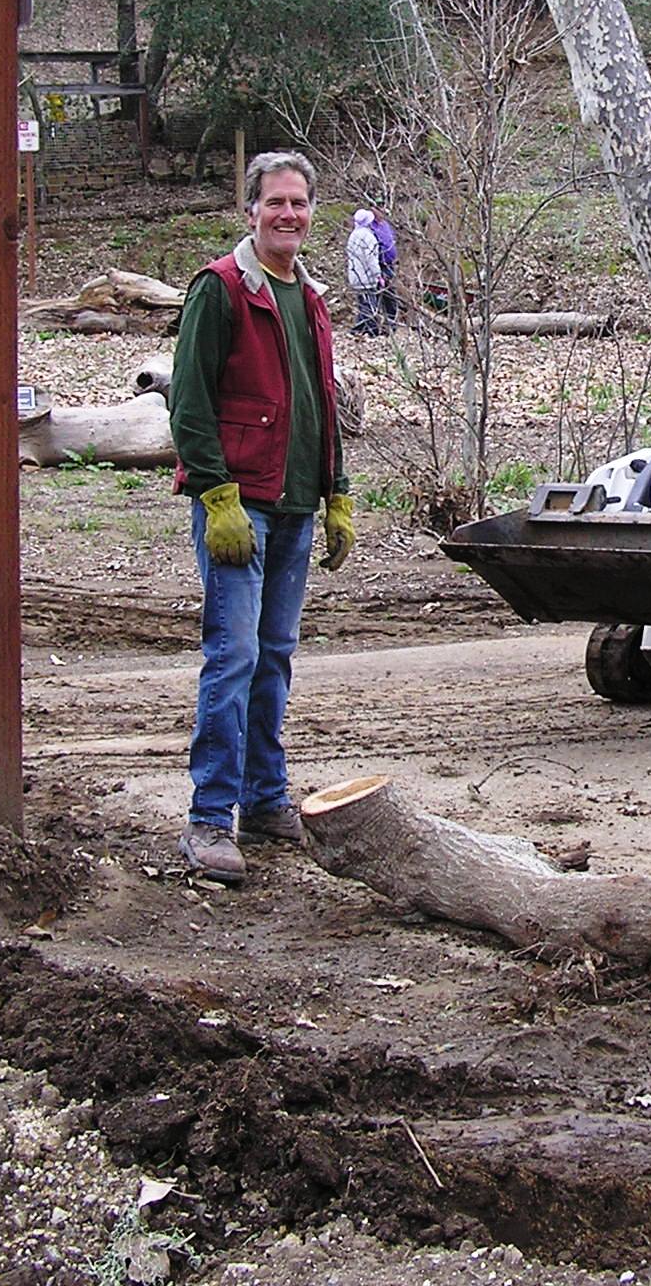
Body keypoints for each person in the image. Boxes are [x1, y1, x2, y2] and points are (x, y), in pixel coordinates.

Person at [169, 152, 357, 884]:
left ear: (312, 213)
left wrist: (336, 493)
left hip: (296, 507)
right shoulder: (220, 290)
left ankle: (265, 799)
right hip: (239, 509)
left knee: (274, 656)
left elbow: (322, 408)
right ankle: (210, 818)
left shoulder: (308, 296)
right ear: (250, 212)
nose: (288, 215)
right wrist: (216, 496)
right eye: (275, 202)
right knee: (234, 656)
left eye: (300, 204)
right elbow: (188, 403)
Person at [347, 209, 385, 335]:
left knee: (362, 304)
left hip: (355, 276)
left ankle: (361, 329)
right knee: (369, 305)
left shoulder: (353, 235)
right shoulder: (368, 237)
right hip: (366, 277)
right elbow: (371, 259)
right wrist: (378, 275)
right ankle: (371, 331)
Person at [371, 208, 401, 330]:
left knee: (390, 295)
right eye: (378, 209)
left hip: (389, 264)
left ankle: (391, 323)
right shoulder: (370, 227)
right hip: (379, 265)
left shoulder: (385, 225)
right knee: (377, 295)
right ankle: (374, 325)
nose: (381, 212)